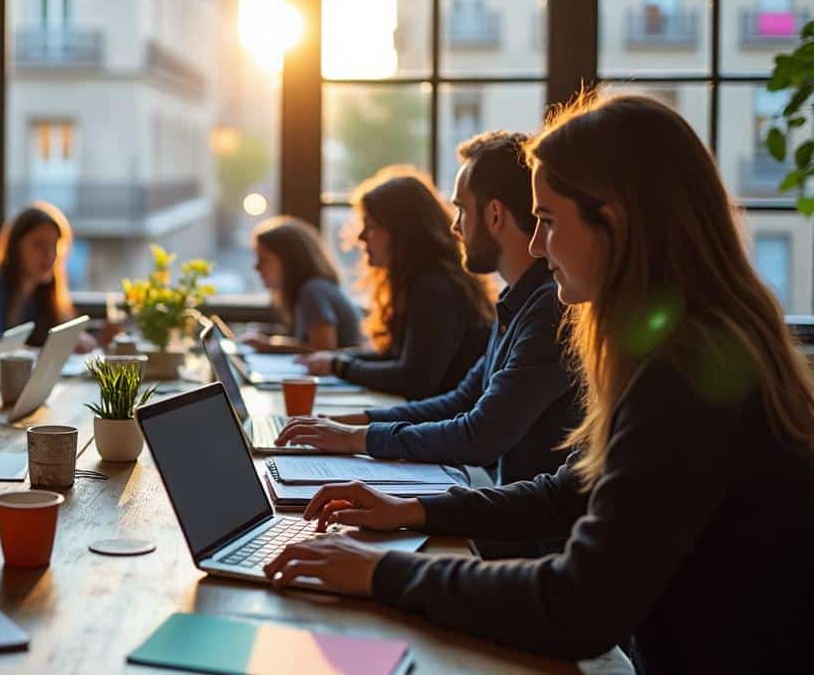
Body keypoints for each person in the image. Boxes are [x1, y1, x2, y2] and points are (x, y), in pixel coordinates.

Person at [264, 95, 814, 672]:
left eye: (548, 220)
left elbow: (578, 605)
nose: (533, 245)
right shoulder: (682, 342)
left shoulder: (687, 372)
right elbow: (569, 493)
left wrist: (380, 571)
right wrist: (410, 510)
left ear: (614, 220)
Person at [277, 135, 579, 490]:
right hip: (502, 502)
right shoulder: (518, 300)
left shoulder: (549, 308)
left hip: (522, 523)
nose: (455, 227)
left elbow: (478, 436)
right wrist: (349, 427)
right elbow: (462, 400)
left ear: (494, 215)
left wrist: (357, 437)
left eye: (462, 211)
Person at [296, 169, 493, 400]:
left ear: (400, 232)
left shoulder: (434, 287)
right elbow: (394, 357)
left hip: (442, 425)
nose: (361, 237)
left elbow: (414, 379)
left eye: (370, 226)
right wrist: (337, 360)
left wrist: (339, 365)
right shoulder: (420, 281)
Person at [0, 202, 95, 353]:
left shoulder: (42, 291)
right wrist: (48, 352)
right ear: (16, 247)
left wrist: (80, 338)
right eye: (39, 245)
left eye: (54, 246)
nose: (49, 255)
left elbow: (54, 331)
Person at [239, 216, 362, 353]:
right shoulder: (313, 289)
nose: (257, 267)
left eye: (264, 259)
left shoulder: (313, 291)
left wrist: (269, 345)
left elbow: (325, 349)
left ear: (289, 262)